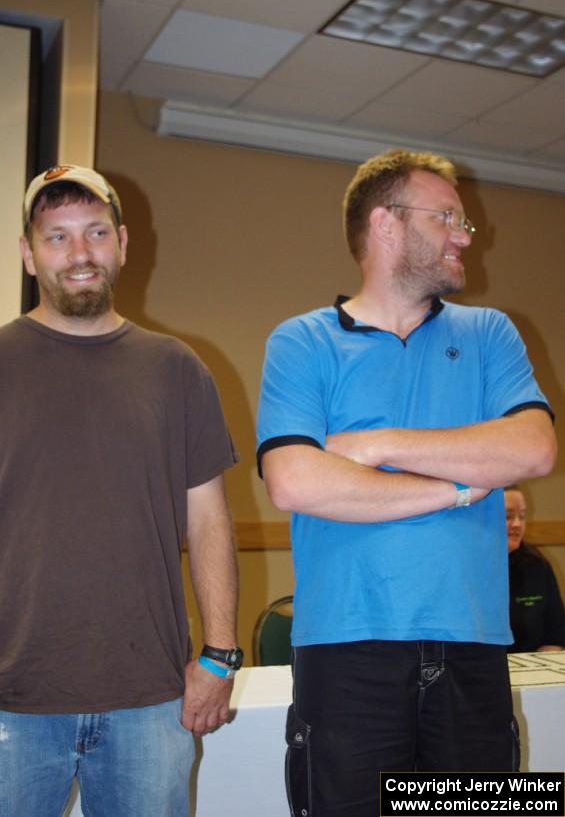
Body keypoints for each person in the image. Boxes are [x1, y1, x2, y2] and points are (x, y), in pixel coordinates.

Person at [256, 149, 557, 817]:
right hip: (344, 653)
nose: (464, 235)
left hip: (473, 646)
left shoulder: (490, 333)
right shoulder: (302, 342)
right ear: (385, 224)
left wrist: (375, 446)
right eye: (446, 216)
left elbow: (533, 449)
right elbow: (295, 481)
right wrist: (454, 486)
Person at [0, 165, 242, 817]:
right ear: (28, 253)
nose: (79, 254)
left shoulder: (176, 369)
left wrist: (219, 656)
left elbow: (210, 519)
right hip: (11, 703)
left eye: (95, 232)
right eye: (56, 237)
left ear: (123, 243)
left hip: (150, 701)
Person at [505, 485, 565, 653]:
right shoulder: (466, 566)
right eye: (508, 516)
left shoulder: (537, 565)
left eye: (522, 516)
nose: (517, 524)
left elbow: (554, 636)